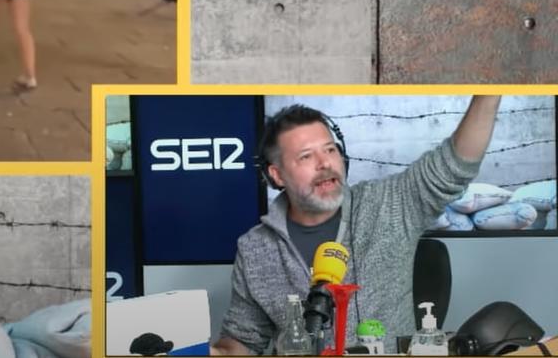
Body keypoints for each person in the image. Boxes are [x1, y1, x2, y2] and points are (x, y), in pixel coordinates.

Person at [211, 96, 502, 355]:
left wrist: (488, 94)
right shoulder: (255, 249)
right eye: (306, 156)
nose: (324, 163)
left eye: (329, 150)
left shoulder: (389, 203)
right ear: (277, 175)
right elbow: (242, 339)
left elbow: (454, 166)